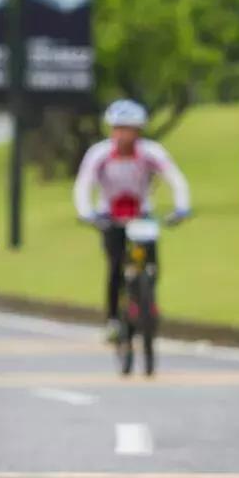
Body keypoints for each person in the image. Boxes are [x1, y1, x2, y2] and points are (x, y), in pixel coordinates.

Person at [73, 99, 191, 342]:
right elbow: (84, 184)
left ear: (139, 131)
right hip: (109, 214)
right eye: (118, 128)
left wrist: (182, 207)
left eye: (129, 128)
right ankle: (114, 318)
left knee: (151, 263)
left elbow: (174, 177)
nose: (123, 134)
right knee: (116, 266)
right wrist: (87, 213)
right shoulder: (99, 154)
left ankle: (147, 301)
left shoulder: (151, 152)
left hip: (141, 214)